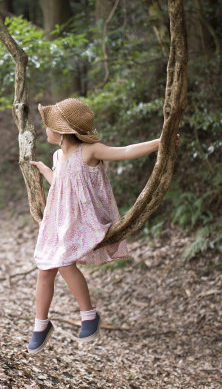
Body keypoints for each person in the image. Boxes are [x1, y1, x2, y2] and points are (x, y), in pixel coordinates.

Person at [26, 98, 168, 354]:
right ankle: (40, 325)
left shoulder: (89, 151)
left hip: (82, 218)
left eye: (48, 125)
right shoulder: (58, 155)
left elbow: (124, 151)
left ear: (61, 130)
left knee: (64, 261)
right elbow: (61, 184)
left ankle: (89, 315)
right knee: (45, 268)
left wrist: (160, 142)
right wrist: (46, 171)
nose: (45, 129)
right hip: (58, 220)